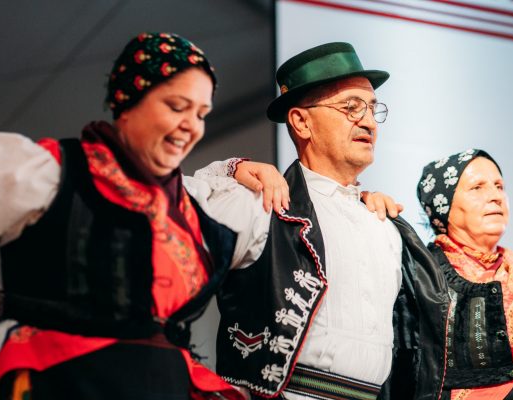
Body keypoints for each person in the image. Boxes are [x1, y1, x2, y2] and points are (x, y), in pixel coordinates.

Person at [0, 32, 250, 400]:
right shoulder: (54, 173)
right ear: (127, 102)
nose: (191, 125)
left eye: (201, 114)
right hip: (54, 380)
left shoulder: (190, 213)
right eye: (177, 106)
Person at [187, 42, 450, 400]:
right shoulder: (267, 204)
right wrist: (230, 169)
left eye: (372, 108)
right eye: (351, 107)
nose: (369, 122)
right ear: (301, 121)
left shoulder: (385, 225)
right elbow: (163, 204)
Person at [417, 149, 513, 400]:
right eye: (477, 188)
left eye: (499, 186)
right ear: (444, 206)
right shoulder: (422, 275)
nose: (495, 196)